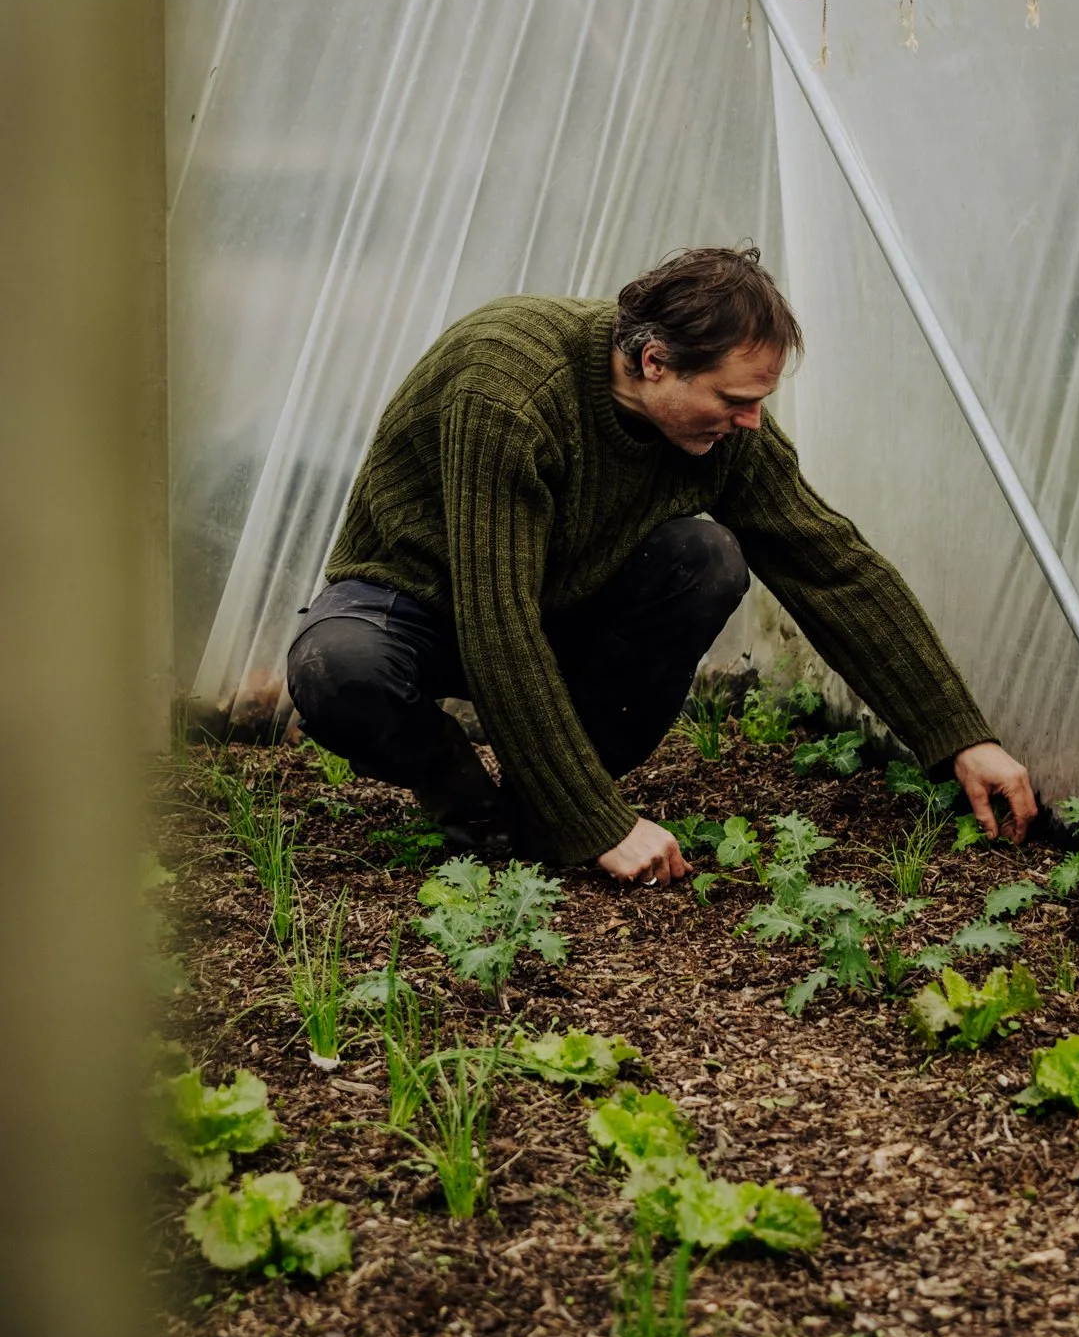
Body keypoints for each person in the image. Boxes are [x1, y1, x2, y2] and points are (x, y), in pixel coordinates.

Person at [287, 245, 1036, 883]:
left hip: (556, 604)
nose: (751, 421)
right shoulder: (511, 388)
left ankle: (548, 805)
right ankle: (473, 806)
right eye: (734, 398)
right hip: (420, 601)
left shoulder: (725, 435)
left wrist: (960, 737)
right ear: (655, 362)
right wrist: (601, 825)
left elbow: (831, 566)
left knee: (705, 558)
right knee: (340, 668)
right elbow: (497, 619)